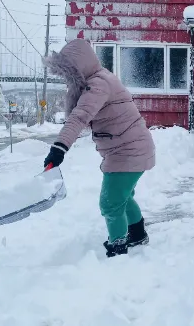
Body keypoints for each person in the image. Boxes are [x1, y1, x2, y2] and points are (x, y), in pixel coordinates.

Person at [42, 38, 156, 257]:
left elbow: (80, 116)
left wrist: (59, 147)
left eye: (68, 73)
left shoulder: (98, 85)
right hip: (128, 148)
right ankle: (138, 234)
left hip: (129, 151)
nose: (66, 79)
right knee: (123, 197)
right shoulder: (99, 80)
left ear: (78, 68)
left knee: (110, 203)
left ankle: (118, 245)